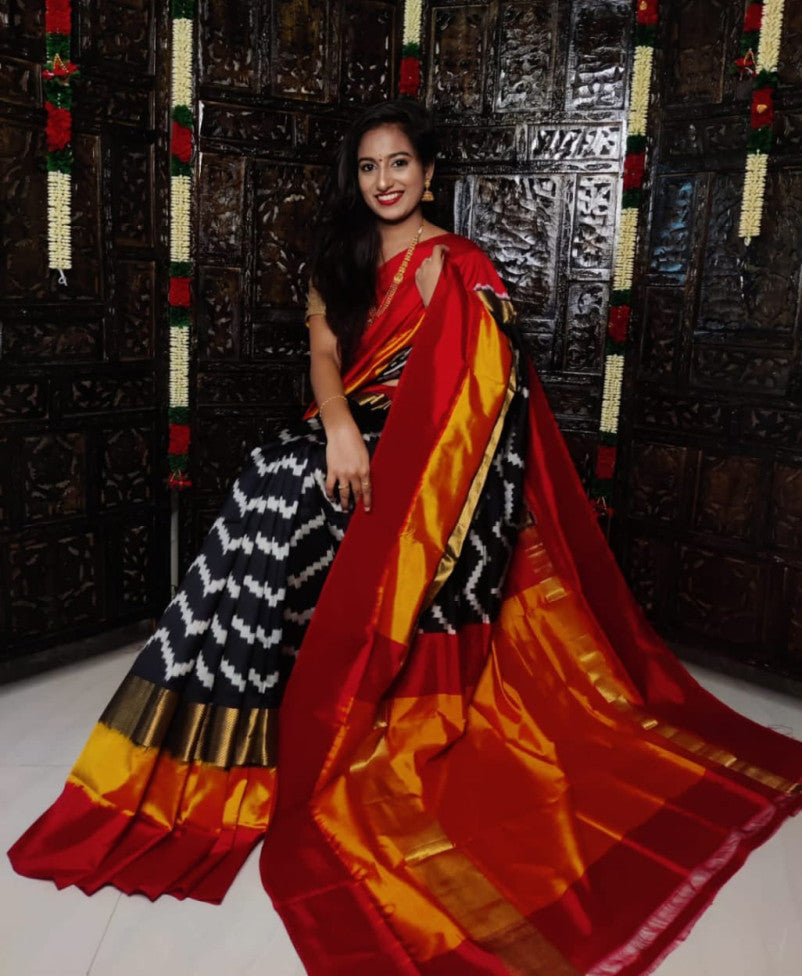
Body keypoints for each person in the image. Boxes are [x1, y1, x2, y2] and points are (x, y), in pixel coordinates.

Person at [8, 99, 802, 976]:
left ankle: (267, 713)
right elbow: (320, 359)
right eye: (368, 167)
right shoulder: (341, 258)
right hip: (346, 427)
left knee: (279, 487)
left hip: (426, 453)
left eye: (399, 165)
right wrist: (341, 427)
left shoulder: (457, 264)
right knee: (268, 482)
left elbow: (487, 395)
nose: (384, 181)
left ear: (429, 173)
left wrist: (392, 447)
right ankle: (215, 725)